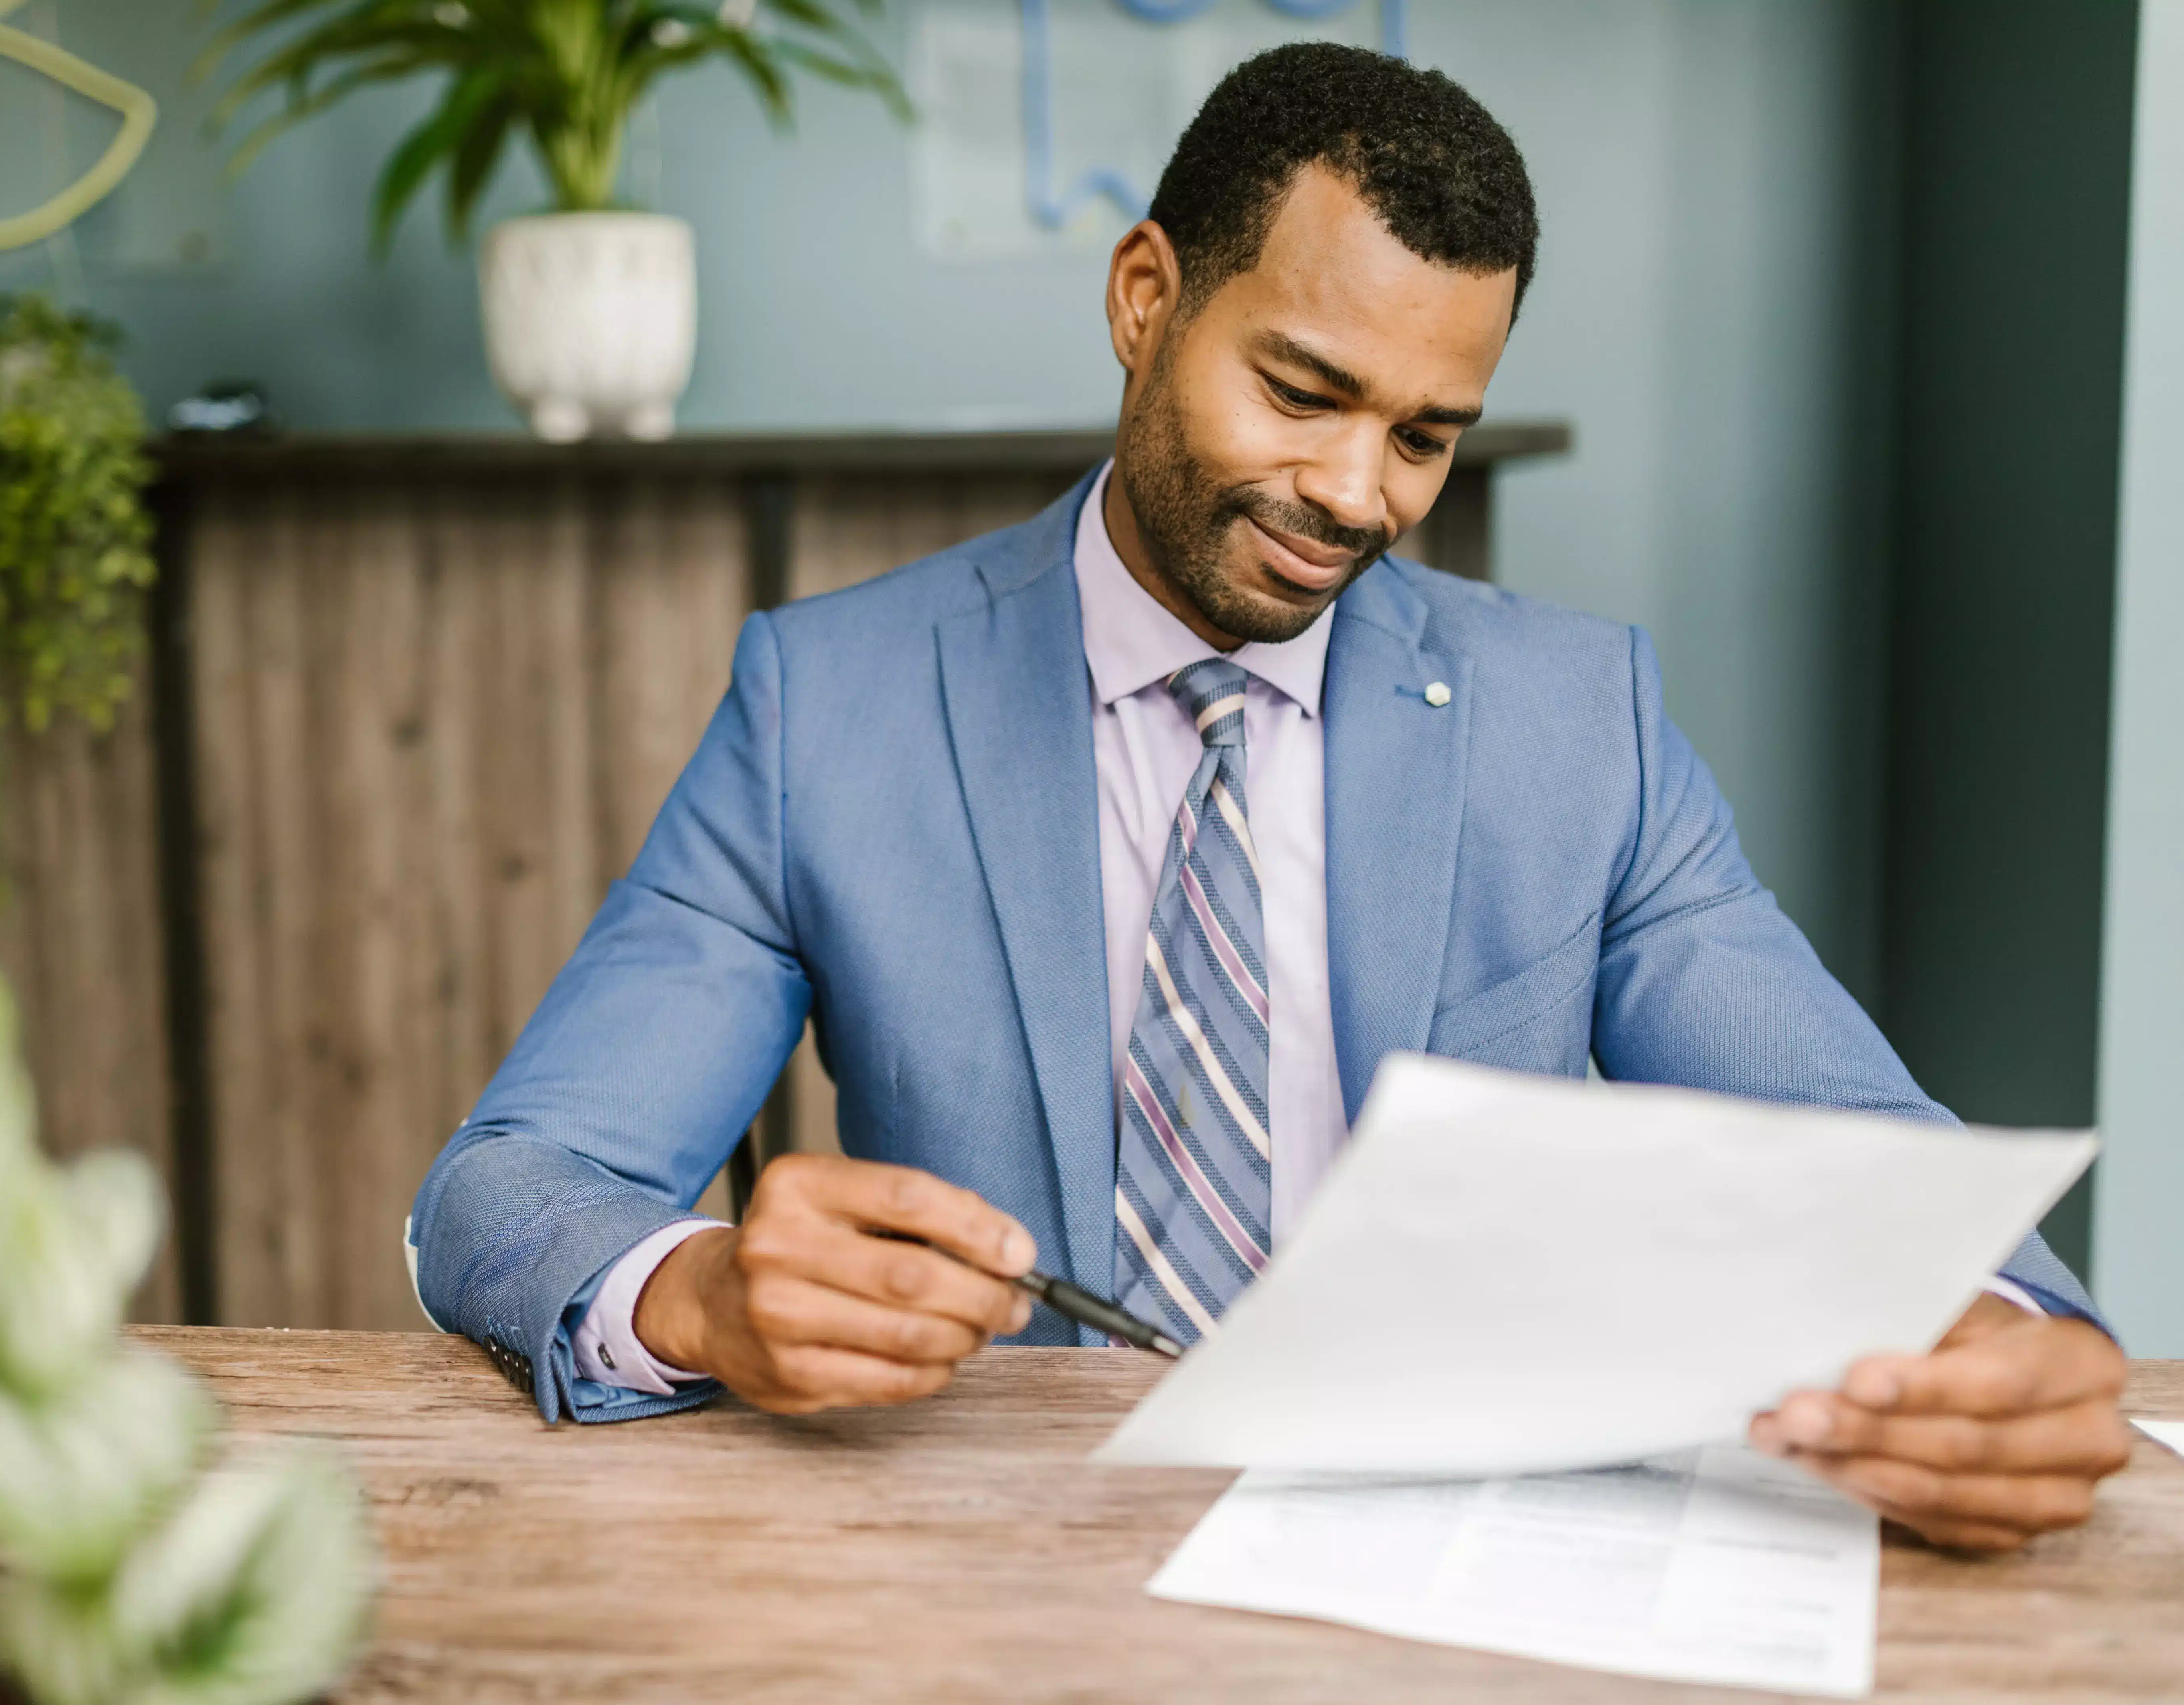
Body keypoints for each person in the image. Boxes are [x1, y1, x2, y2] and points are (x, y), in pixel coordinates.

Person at [410, 43, 2131, 1552]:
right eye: (1303, 392)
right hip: (1001, 1558)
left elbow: (1870, 1148)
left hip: (1473, 1564)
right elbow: (504, 1187)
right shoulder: (831, 705)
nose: (1353, 495)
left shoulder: (1577, 719)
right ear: (1144, 296)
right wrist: (699, 1294)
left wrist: (1998, 1333)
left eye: (1425, 436)